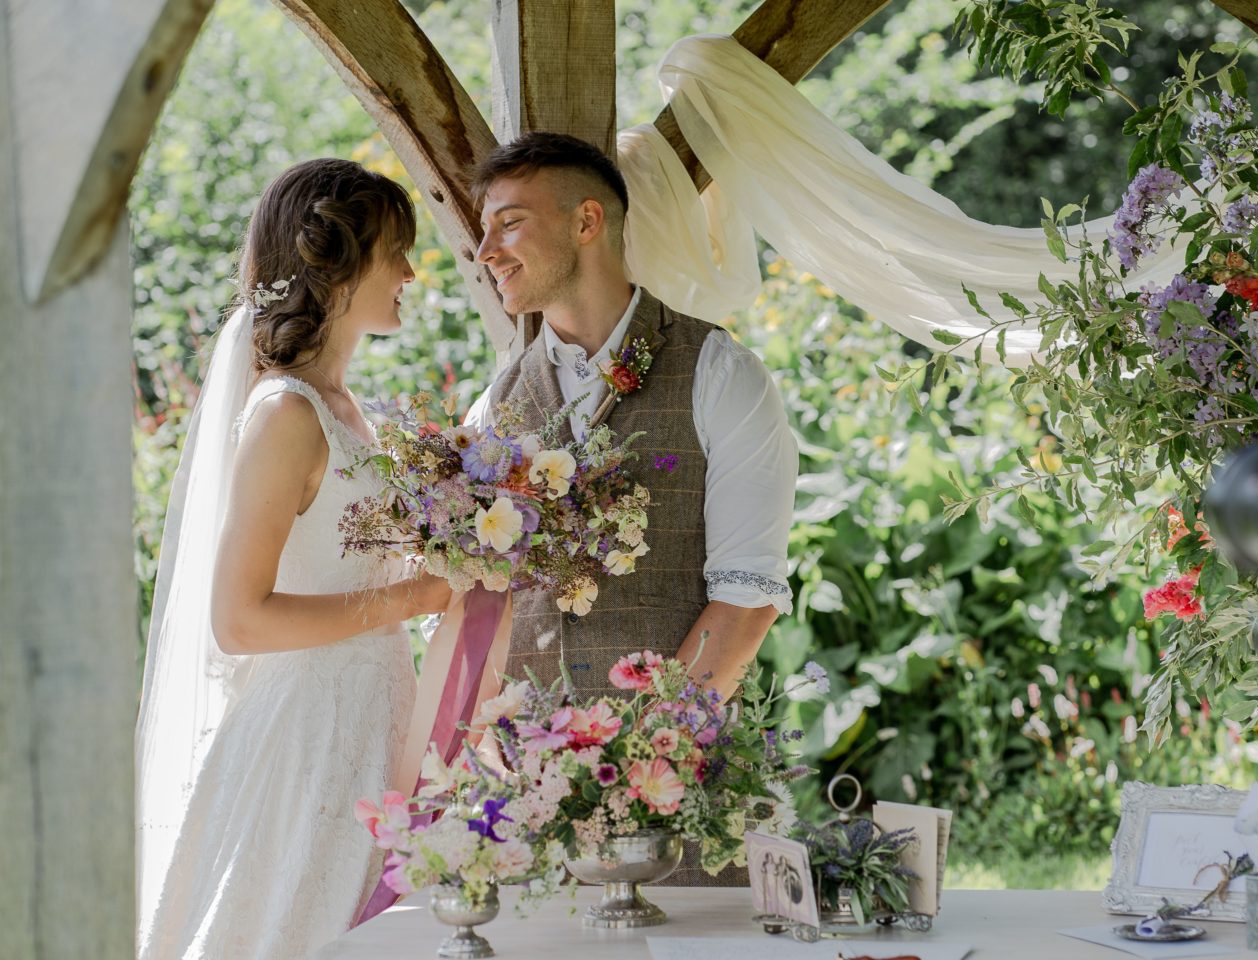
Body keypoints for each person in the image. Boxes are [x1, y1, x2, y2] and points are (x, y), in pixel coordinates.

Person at [136, 158, 451, 959]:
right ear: (338, 269)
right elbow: (239, 619)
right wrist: (415, 597)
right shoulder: (285, 415)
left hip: (375, 718)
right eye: (395, 254)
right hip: (310, 740)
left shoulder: (346, 409)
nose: (411, 273)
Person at [464, 132, 797, 884]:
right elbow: (475, 600)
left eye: (509, 222)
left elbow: (744, 604)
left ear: (587, 222)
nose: (486, 249)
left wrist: (637, 773)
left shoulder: (722, 376)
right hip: (526, 815)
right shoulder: (492, 406)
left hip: (677, 808)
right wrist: (506, 763)